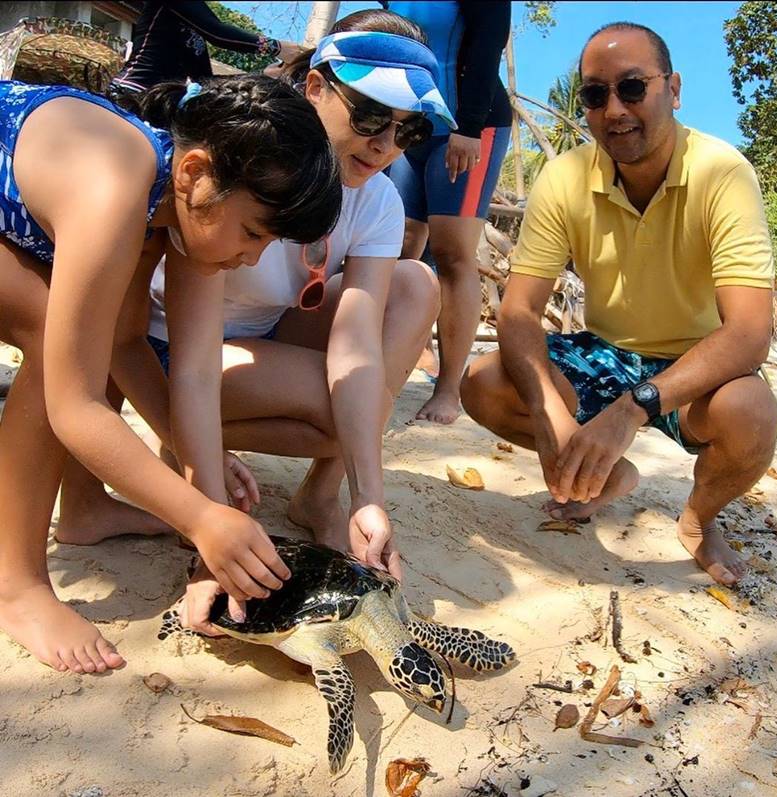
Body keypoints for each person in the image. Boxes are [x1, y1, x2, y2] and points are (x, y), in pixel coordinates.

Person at [0, 74, 342, 674]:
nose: (253, 257)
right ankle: (16, 586)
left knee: (97, 324)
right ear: (194, 172)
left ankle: (85, 511)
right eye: (253, 232)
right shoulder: (113, 188)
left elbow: (181, 369)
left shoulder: (185, 210)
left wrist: (196, 471)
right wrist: (200, 516)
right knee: (51, 328)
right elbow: (74, 405)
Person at [137, 12, 448, 633]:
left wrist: (369, 496)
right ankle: (191, 452)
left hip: (264, 336)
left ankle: (324, 494)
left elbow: (359, 343)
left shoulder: (379, 199)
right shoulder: (253, 161)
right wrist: (210, 526)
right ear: (315, 87)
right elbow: (194, 359)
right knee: (351, 409)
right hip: (177, 350)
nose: (385, 144)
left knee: (414, 288)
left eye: (408, 129)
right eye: (370, 116)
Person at [461, 22, 777, 587]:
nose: (614, 110)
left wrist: (632, 411)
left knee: (752, 415)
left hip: (693, 366)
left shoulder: (722, 172)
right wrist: (550, 415)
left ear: (673, 90)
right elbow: (519, 312)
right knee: (484, 382)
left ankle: (699, 518)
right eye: (594, 94)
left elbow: (750, 333)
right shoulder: (565, 177)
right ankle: (607, 475)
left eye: (632, 88)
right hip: (604, 352)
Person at [383, 0, 512, 424]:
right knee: (399, 244)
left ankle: (448, 388)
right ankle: (406, 355)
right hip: (411, 123)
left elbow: (488, 45)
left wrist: (469, 127)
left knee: (452, 253)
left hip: (467, 126)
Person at [109, 0, 302, 98]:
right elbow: (217, 33)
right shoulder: (199, 19)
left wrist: (263, 75)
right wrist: (276, 47)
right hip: (130, 93)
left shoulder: (197, 27)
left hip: (158, 105)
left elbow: (205, 81)